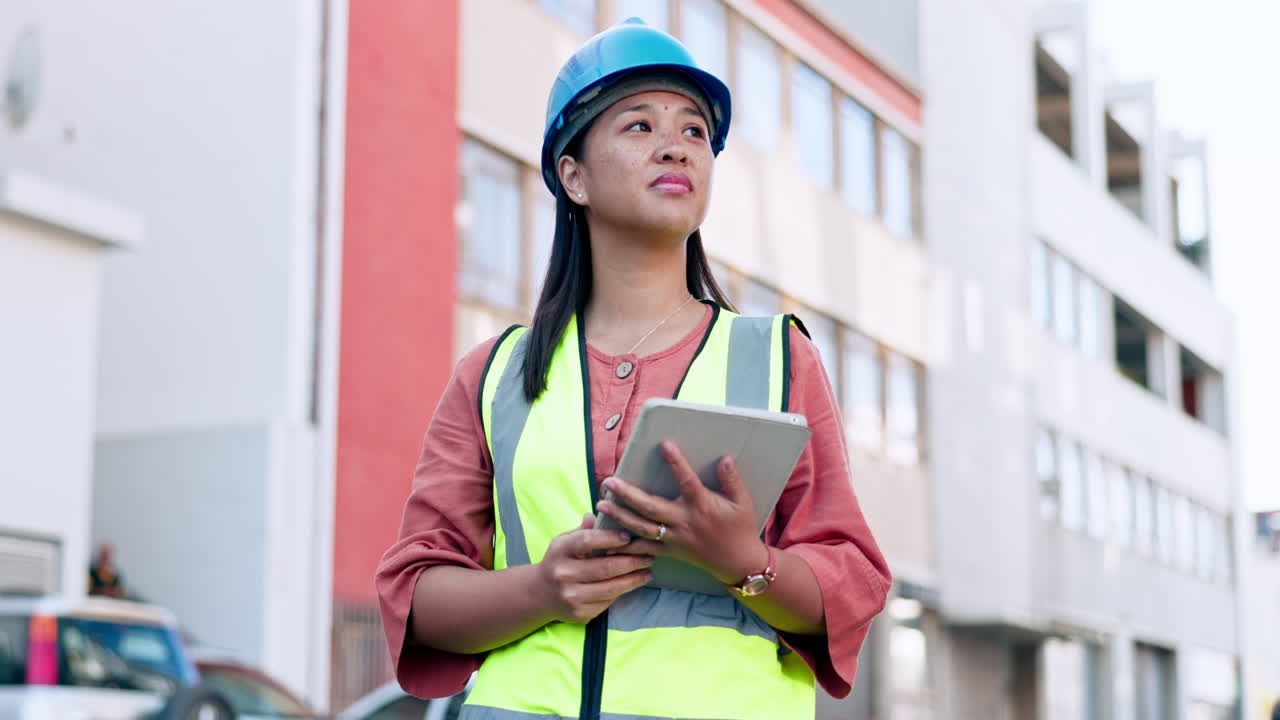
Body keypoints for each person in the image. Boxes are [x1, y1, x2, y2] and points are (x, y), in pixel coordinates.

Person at [376, 18, 890, 720]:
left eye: (695, 131)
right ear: (573, 175)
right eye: (640, 126)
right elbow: (416, 596)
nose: (676, 144)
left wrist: (744, 560)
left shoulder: (777, 358)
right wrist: (541, 590)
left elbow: (850, 588)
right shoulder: (493, 375)